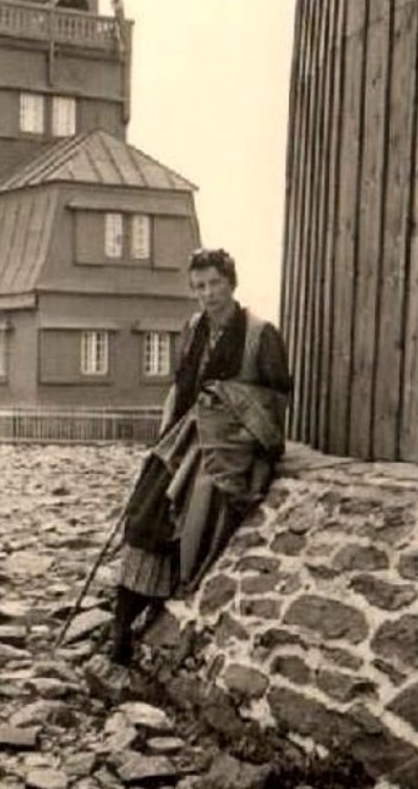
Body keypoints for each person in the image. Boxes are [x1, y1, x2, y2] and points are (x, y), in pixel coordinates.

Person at [110, 248, 292, 666]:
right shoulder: (193, 329)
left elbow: (275, 403)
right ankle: (123, 620)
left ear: (232, 283)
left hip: (229, 445)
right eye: (199, 287)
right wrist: (164, 437)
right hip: (185, 438)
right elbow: (180, 387)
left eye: (214, 284)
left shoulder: (260, 335)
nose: (207, 294)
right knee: (147, 505)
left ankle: (169, 592)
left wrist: (224, 401)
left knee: (192, 502)